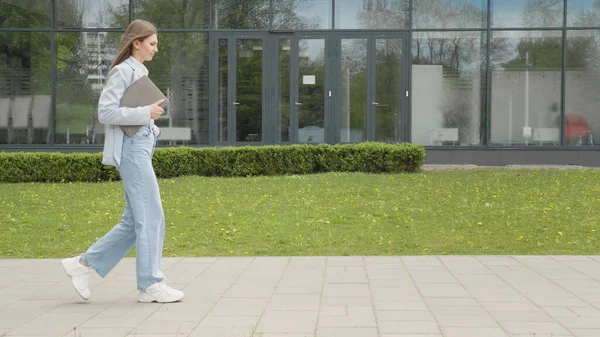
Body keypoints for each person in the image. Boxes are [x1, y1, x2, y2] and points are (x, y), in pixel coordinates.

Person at [61, 19, 184, 303]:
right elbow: (105, 112)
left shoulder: (138, 71)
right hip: (131, 151)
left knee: (133, 221)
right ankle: (151, 284)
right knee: (152, 216)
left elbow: (129, 112)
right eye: (152, 44)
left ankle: (82, 265)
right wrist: (145, 113)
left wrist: (150, 125)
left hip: (138, 146)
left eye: (156, 44)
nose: (155, 49)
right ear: (136, 42)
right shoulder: (122, 71)